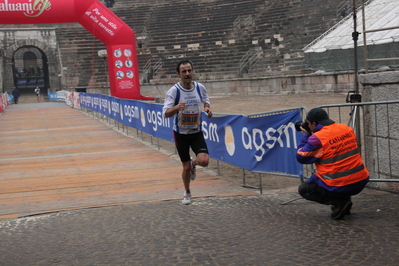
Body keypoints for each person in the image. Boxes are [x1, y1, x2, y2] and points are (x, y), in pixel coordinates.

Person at [296, 108, 369, 220]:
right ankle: (345, 200)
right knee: (340, 169)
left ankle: (339, 202)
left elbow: (301, 157)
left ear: (314, 123)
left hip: (339, 184)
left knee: (305, 189)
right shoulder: (345, 128)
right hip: (361, 180)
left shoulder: (318, 138)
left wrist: (306, 135)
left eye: (308, 123)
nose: (308, 126)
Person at [162, 59, 213, 205]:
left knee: (204, 161)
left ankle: (193, 163)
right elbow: (165, 113)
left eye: (189, 70)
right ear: (178, 74)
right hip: (181, 134)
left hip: (196, 132)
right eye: (184, 71)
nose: (187, 73)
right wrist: (177, 107)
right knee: (184, 167)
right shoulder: (174, 91)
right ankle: (187, 192)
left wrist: (207, 108)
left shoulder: (199, 87)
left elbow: (206, 99)